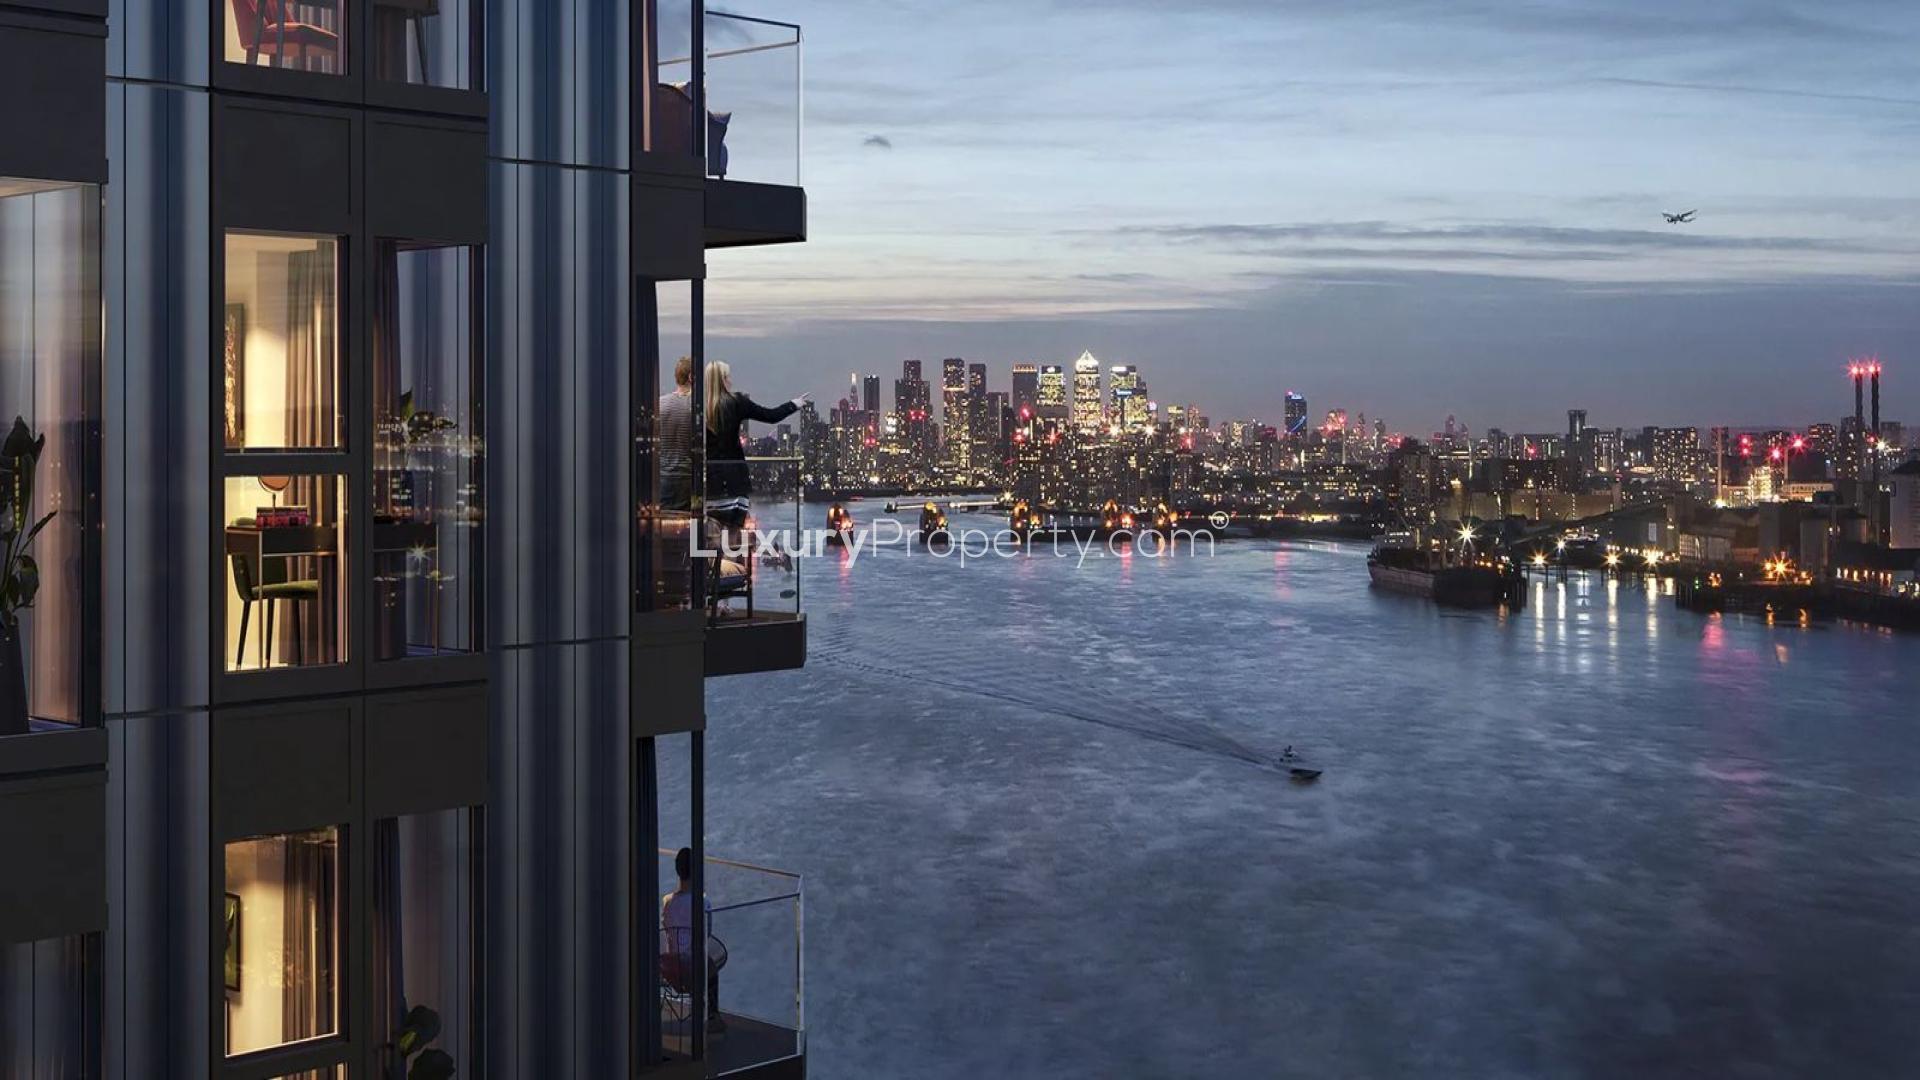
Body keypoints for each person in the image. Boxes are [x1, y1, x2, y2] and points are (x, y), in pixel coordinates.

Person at [704, 360, 809, 527]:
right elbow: (770, 415)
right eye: (728, 376)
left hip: (711, 486)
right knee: (732, 539)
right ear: (723, 380)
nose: (730, 380)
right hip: (735, 483)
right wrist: (793, 405)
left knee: (712, 538)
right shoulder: (737, 402)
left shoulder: (700, 408)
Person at [661, 846, 728, 1032]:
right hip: (691, 969)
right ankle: (712, 1014)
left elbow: (667, 928)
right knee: (709, 964)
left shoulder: (667, 902)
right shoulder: (702, 902)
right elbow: (706, 933)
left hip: (670, 967)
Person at [658, 356, 696, 511]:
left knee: (663, 525)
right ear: (690, 377)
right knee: (687, 528)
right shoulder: (695, 405)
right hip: (686, 477)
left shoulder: (660, 403)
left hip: (663, 476)